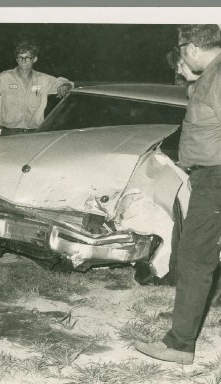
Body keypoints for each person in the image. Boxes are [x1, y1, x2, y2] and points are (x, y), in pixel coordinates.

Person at [135, 24, 221, 365]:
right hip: (210, 177)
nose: (181, 59)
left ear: (192, 49)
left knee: (194, 257)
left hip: (216, 178)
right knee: (198, 255)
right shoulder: (211, 76)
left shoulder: (217, 78)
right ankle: (185, 322)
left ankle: (180, 344)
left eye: (182, 52)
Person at [0, 40, 74, 136]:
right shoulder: (5, 77)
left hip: (34, 133)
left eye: (28, 58)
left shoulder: (43, 79)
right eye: (20, 58)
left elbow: (64, 82)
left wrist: (65, 86)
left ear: (35, 59)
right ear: (16, 59)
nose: (24, 61)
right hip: (9, 133)